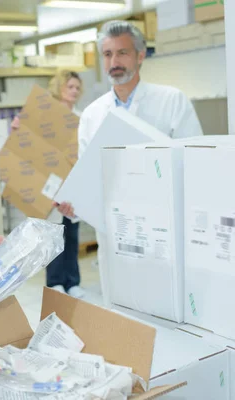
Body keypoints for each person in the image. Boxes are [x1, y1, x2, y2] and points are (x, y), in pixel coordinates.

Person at [55, 21, 203, 306]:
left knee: (167, 306)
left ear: (140, 55)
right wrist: (73, 205)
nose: (114, 62)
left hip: (164, 227)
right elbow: (87, 175)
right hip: (114, 232)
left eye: (122, 53)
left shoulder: (171, 101)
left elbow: (195, 162)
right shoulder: (92, 114)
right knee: (123, 309)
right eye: (108, 54)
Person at [11, 70, 86, 298]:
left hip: (73, 181)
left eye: (77, 88)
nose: (74, 91)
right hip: (49, 181)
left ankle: (72, 281)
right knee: (53, 235)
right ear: (59, 87)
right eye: (69, 86)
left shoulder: (82, 116)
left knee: (72, 233)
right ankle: (55, 282)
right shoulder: (45, 113)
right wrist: (17, 126)